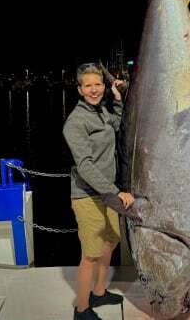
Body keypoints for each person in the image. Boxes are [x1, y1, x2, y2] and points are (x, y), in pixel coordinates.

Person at [63, 63, 135, 320]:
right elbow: (84, 166)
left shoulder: (100, 111)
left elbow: (116, 125)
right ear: (80, 89)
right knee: (91, 254)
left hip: (106, 193)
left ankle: (100, 291)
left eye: (98, 84)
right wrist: (115, 192)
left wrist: (117, 100)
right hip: (87, 195)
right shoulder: (75, 122)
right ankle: (81, 309)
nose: (94, 90)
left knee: (111, 241)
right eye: (88, 85)